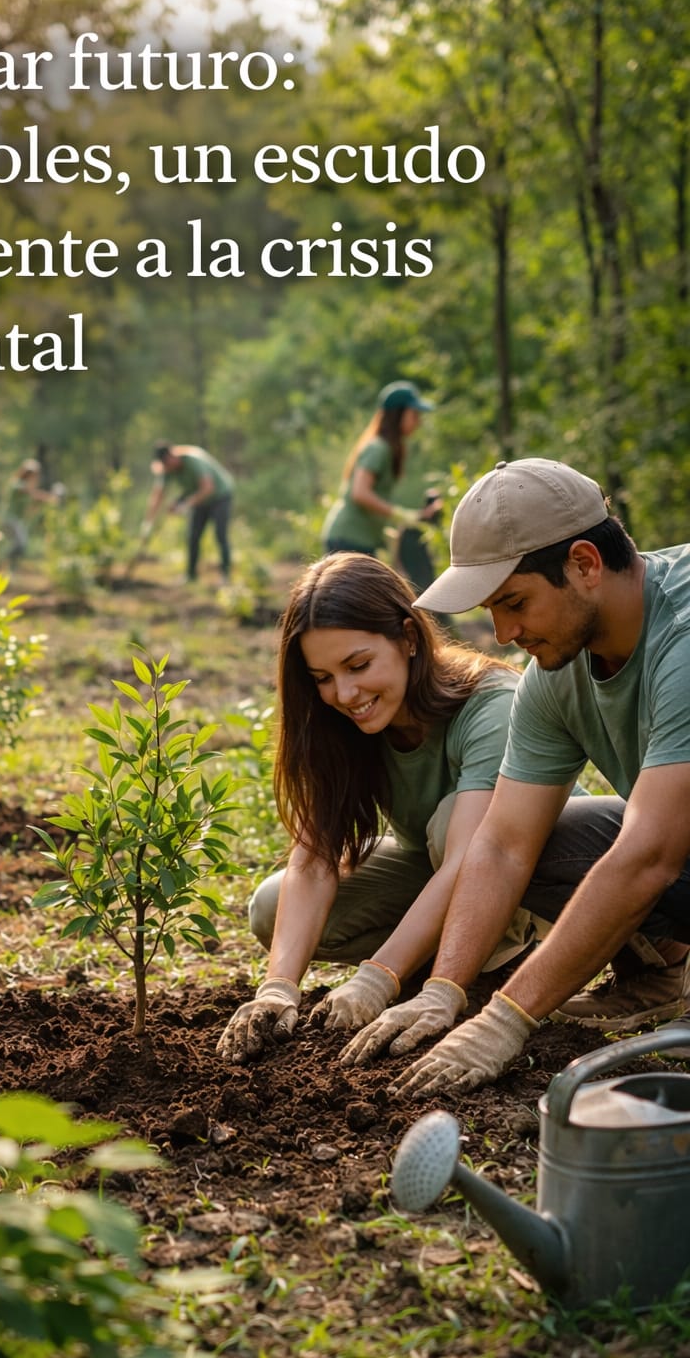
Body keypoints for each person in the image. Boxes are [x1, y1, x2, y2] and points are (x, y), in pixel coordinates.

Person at [347, 458, 690, 1098]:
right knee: (548, 840)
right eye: (492, 610)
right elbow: (504, 844)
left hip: (668, 852)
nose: (504, 634)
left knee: (637, 848)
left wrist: (505, 1019)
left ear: (584, 564)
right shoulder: (556, 673)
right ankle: (660, 975)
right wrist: (444, 990)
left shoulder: (684, 638)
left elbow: (649, 857)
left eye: (515, 603)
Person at [216, 551, 546, 1066]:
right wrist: (277, 988)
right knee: (270, 907)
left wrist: (378, 977)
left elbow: (472, 858)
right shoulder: (342, 722)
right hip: (437, 865)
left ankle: (501, 957)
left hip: (527, 875)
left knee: (449, 826)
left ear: (409, 638)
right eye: (322, 677)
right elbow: (313, 859)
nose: (345, 693)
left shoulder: (490, 704)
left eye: (358, 666)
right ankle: (454, 964)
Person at [321, 380, 440, 557]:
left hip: (360, 540)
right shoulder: (378, 448)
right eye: (414, 415)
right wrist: (401, 515)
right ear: (398, 414)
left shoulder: (388, 448)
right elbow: (360, 493)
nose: (418, 422)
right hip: (348, 539)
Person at [144, 441, 235, 583]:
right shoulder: (167, 470)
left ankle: (225, 575)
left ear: (172, 457)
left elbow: (208, 488)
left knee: (220, 535)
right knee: (193, 536)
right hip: (198, 498)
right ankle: (191, 575)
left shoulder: (193, 461)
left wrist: (185, 504)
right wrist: (148, 522)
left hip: (219, 496)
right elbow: (158, 496)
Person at [2, 458, 57, 562]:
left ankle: (9, 565)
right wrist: (48, 497)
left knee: (17, 545)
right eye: (35, 476)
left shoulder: (26, 488)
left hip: (16, 520)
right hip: (10, 519)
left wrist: (40, 504)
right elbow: (31, 493)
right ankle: (2, 560)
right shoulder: (18, 484)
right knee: (21, 543)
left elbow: (29, 510)